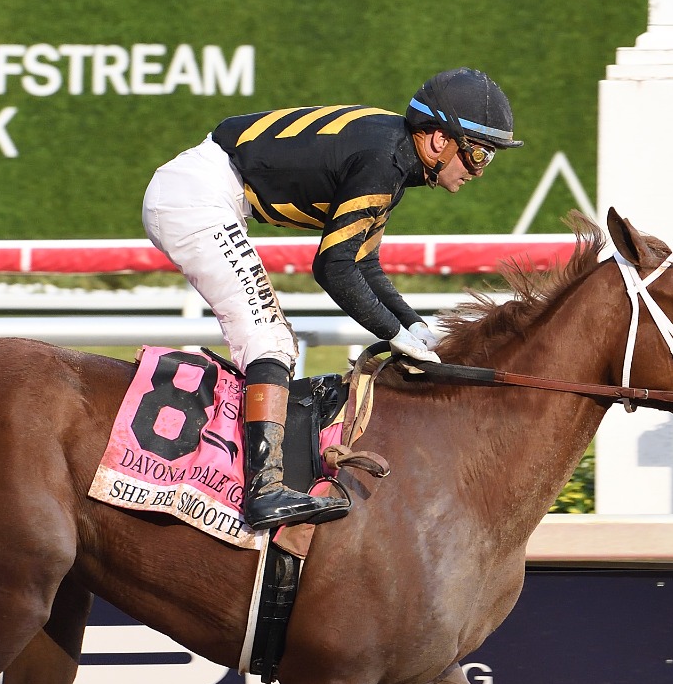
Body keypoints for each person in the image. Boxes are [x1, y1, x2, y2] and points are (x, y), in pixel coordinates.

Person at [142, 68, 522, 530]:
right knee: (271, 340)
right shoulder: (384, 162)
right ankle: (263, 490)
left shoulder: (392, 156)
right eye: (478, 154)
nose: (478, 171)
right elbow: (333, 266)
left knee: (274, 338)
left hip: (204, 191)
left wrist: (414, 325)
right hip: (197, 197)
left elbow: (364, 263)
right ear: (439, 140)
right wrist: (393, 332)